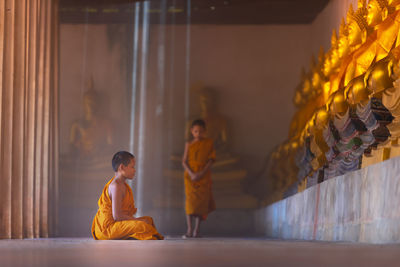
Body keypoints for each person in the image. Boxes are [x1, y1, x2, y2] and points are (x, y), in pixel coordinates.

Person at [91, 151, 163, 240]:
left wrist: (137, 221)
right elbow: (117, 216)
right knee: (142, 226)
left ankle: (130, 236)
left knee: (149, 220)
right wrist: (137, 220)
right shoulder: (116, 186)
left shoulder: (123, 185)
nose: (135, 170)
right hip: (108, 228)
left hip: (118, 224)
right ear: (122, 167)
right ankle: (131, 236)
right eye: (132, 167)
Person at [182, 119, 216, 238]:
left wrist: (201, 173)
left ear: (205, 132)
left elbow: (211, 159)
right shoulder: (189, 144)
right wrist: (191, 174)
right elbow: (184, 161)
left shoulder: (209, 143)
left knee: (201, 204)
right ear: (192, 131)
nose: (198, 134)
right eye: (196, 131)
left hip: (203, 175)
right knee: (190, 204)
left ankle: (197, 230)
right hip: (190, 176)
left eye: (201, 131)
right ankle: (189, 230)